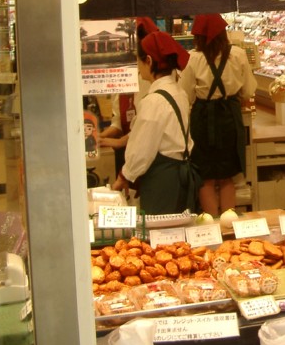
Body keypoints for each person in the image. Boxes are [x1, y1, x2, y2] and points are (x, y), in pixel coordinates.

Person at [111, 30, 199, 215]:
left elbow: (142, 149)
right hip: (182, 176)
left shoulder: (153, 101)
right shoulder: (178, 91)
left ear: (149, 61)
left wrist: (124, 176)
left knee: (160, 237)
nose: (138, 67)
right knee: (177, 236)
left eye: (139, 61)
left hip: (163, 181)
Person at [178, 14, 257, 216]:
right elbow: (249, 90)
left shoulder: (193, 58)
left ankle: (212, 224)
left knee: (206, 177)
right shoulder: (237, 54)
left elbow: (184, 93)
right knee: (227, 175)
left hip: (202, 118)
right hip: (229, 116)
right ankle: (228, 224)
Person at [99, 17, 158, 174]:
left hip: (147, 153)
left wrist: (118, 142)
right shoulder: (121, 75)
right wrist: (99, 138)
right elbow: (118, 122)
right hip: (128, 151)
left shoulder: (148, 77)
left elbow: (145, 126)